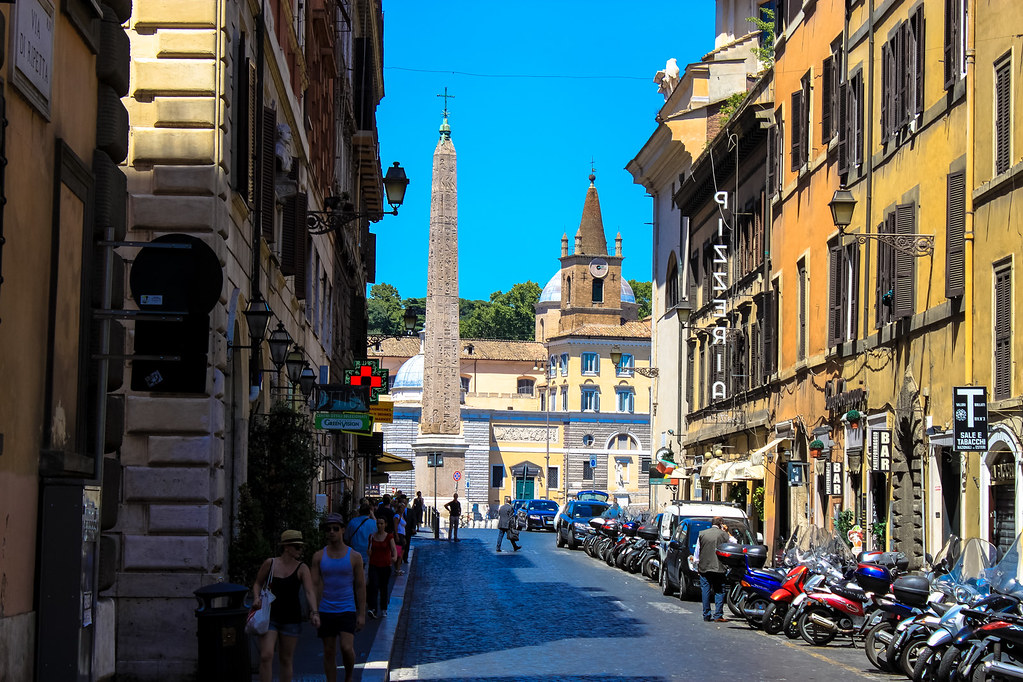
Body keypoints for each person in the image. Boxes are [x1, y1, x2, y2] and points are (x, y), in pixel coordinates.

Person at [250, 530, 320, 682]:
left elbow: (309, 591)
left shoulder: (302, 568)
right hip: (270, 616)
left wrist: (314, 612)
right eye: (297, 546)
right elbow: (257, 583)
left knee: (286, 659)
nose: (300, 550)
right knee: (266, 655)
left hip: (291, 619)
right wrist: (256, 598)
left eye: (301, 547)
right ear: (286, 547)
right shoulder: (270, 563)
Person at [312, 513, 366, 682]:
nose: (332, 532)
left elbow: (360, 585)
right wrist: (314, 611)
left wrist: (361, 614)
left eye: (335, 528)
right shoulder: (318, 556)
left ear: (343, 530)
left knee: (346, 647)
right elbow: (314, 585)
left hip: (346, 608)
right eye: (328, 529)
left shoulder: (354, 556)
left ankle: (349, 676)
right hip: (326, 609)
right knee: (329, 651)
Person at [694, 516, 730, 623]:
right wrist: (727, 531)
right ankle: (718, 615)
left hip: (704, 567)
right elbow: (735, 542)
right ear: (721, 524)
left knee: (705, 590)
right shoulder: (724, 535)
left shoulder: (702, 534)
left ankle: (706, 615)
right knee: (719, 591)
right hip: (719, 567)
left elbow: (697, 551)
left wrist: (697, 564)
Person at [366, 516, 397, 618]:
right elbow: (369, 550)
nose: (379, 525)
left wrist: (394, 557)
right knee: (373, 586)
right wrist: (369, 552)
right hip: (374, 564)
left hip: (385, 565)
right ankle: (373, 609)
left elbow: (393, 548)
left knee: (383, 587)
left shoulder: (389, 537)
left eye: (381, 524)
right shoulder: (372, 536)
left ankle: (383, 608)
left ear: (385, 525)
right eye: (378, 523)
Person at [392, 501, 407, 575]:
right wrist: (396, 535)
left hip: (402, 535)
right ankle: (397, 568)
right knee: (399, 553)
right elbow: (395, 526)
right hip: (399, 535)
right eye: (401, 507)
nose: (403, 509)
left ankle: (398, 568)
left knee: (401, 552)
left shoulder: (402, 516)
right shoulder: (397, 516)